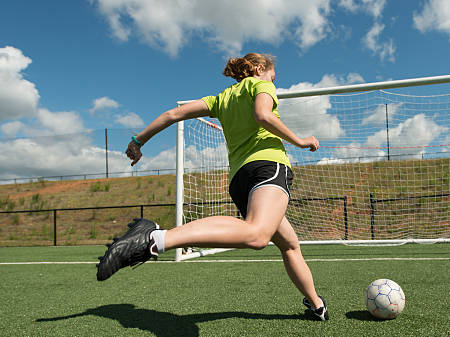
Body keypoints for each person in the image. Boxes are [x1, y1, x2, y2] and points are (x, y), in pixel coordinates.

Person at [97, 53, 328, 321]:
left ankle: (316, 304)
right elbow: (263, 115)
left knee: (289, 244)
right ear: (259, 68)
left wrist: (139, 141)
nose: (272, 81)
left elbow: (175, 113)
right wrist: (299, 141)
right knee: (257, 236)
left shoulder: (222, 98)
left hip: (241, 180)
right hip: (268, 167)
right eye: (272, 76)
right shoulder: (261, 84)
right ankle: (154, 238)